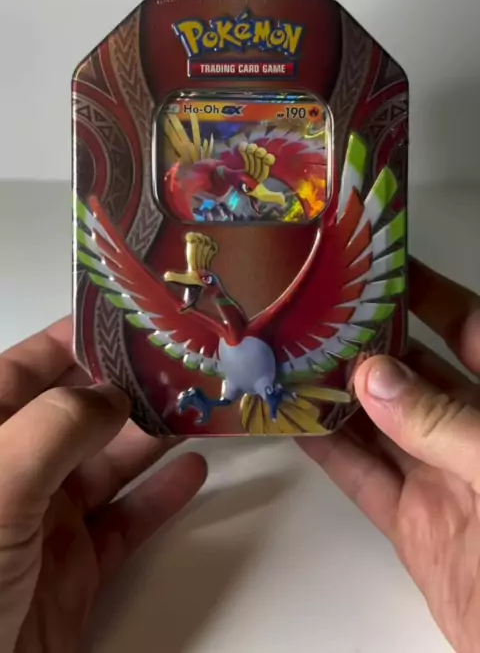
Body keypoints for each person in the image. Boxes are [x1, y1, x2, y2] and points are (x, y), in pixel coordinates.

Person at [0, 259, 478, 653]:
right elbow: (208, 318)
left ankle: (259, 392)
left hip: (275, 389)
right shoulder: (215, 326)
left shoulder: (250, 323)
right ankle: (225, 397)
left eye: (208, 286)